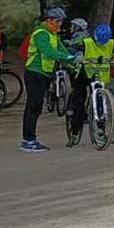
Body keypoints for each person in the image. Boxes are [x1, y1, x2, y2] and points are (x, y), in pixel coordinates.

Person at [21, 8, 76, 153]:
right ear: (48, 20)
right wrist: (68, 58)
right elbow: (49, 52)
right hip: (34, 73)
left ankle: (29, 139)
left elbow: (60, 48)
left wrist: (72, 60)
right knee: (33, 107)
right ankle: (28, 140)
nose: (59, 25)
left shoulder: (52, 34)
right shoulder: (41, 33)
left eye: (61, 22)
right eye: (57, 21)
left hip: (44, 74)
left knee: (37, 107)